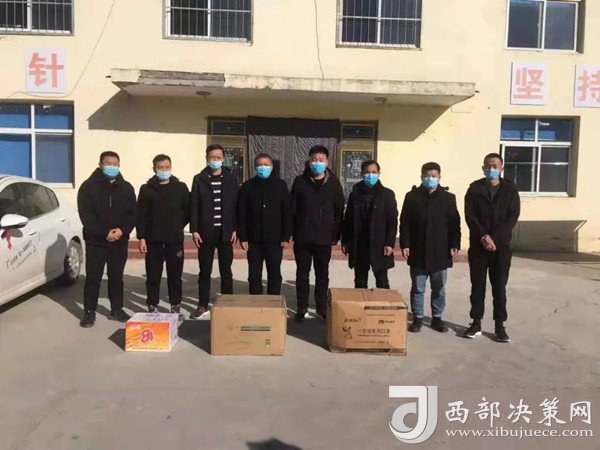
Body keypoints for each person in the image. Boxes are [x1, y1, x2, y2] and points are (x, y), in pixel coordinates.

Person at [464, 153, 520, 342]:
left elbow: (512, 217)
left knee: (499, 288)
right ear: (483, 168)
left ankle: (499, 326)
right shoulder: (474, 189)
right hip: (478, 246)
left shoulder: (510, 190)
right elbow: (470, 216)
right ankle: (476, 323)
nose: (491, 169)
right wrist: (483, 236)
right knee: (477, 286)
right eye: (488, 166)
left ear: (501, 168)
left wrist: (493, 238)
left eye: (495, 166)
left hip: (501, 247)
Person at [399, 162, 461, 333]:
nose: (430, 179)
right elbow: (405, 223)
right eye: (427, 176)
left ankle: (437, 318)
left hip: (440, 251)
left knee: (439, 288)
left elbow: (454, 224)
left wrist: (455, 243)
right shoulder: (412, 197)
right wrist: (405, 244)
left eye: (433, 176)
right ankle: (417, 318)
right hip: (418, 250)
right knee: (418, 288)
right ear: (421, 177)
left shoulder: (448, 198)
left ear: (439, 177)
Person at [77, 151, 137, 328]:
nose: (112, 167)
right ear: (100, 165)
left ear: (119, 166)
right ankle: (89, 312)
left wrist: (123, 230)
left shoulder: (126, 187)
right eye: (108, 163)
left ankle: (116, 309)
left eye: (115, 164)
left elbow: (133, 213)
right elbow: (86, 216)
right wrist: (104, 233)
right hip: (96, 241)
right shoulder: (88, 187)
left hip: (119, 241)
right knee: (93, 278)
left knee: (116, 277)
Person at [291, 145, 345, 322]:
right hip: (303, 238)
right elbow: (293, 209)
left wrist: (335, 235)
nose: (317, 163)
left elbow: (339, 211)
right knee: (302, 274)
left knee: (322, 275)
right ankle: (302, 307)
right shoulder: (300, 181)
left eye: (321, 160)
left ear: (327, 162)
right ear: (309, 161)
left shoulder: (334, 183)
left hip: (324, 238)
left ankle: (321, 307)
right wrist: (292, 232)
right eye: (314, 160)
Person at [136, 154, 190, 316]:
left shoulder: (180, 187)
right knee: (153, 276)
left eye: (167, 167)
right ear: (154, 169)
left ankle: (175, 305)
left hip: (174, 240)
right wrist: (142, 237)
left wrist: (178, 225)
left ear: (171, 168)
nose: (164, 170)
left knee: (175, 276)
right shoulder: (146, 189)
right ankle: (152, 304)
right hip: (153, 240)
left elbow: (188, 211)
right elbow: (141, 215)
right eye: (160, 168)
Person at [190, 144, 239, 319]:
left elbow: (236, 205)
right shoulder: (199, 179)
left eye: (218, 157)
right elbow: (194, 205)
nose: (215, 160)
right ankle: (202, 304)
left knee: (226, 271)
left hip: (226, 232)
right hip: (205, 232)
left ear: (223, 159)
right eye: (212, 157)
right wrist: (194, 230)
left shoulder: (231, 178)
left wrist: (235, 228)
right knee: (205, 271)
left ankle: (228, 303)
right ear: (207, 158)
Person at [238, 154, 291, 295]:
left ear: (272, 167)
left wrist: (286, 236)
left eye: (266, 164)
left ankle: (273, 302)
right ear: (255, 167)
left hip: (275, 239)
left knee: (274, 274)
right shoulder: (247, 186)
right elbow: (241, 213)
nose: (263, 167)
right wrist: (243, 237)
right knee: (254, 275)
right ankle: (256, 302)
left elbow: (287, 212)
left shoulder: (280, 185)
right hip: (253, 239)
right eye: (260, 164)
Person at [341, 160, 398, 289]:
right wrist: (345, 241)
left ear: (379, 173)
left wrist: (389, 243)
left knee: (382, 281)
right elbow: (348, 219)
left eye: (374, 172)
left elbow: (392, 221)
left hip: (380, 244)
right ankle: (362, 302)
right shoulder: (355, 194)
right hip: (359, 243)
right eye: (367, 172)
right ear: (362, 174)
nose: (370, 175)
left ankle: (382, 302)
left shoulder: (387, 195)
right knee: (360, 281)